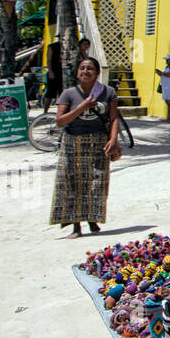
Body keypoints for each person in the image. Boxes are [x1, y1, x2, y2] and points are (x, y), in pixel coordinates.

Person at [48, 58, 119, 239]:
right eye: (82, 68)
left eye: (90, 68)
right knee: (72, 185)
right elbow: (60, 121)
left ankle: (92, 219)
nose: (85, 71)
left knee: (96, 184)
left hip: (98, 143)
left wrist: (113, 139)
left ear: (97, 73)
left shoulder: (108, 92)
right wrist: (82, 107)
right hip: (73, 143)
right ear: (78, 72)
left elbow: (114, 118)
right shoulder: (68, 94)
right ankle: (76, 227)